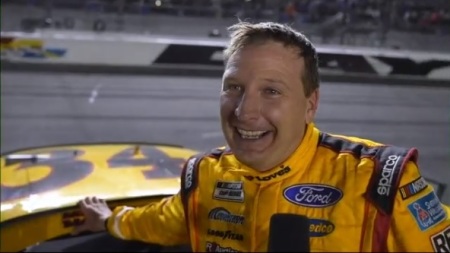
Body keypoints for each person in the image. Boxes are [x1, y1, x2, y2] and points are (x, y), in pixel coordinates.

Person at [74, 21, 450, 252]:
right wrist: (110, 220)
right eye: (234, 87)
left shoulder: (381, 180)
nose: (244, 112)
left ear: (309, 104)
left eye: (271, 91)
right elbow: (161, 221)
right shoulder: (204, 175)